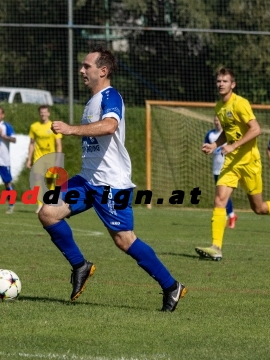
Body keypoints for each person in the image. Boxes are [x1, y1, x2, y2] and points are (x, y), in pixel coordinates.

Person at [38, 45, 186, 312]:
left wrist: (71, 130)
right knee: (48, 212)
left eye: (87, 66)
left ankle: (171, 286)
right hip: (87, 180)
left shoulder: (111, 96)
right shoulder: (91, 101)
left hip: (110, 184)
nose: (81, 70)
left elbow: (109, 126)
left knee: (124, 240)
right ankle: (81, 266)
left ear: (103, 71)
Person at [196, 68, 270, 261]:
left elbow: (256, 129)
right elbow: (228, 132)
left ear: (233, 84)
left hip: (249, 162)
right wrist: (216, 144)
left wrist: (234, 146)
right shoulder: (219, 107)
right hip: (231, 163)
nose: (220, 84)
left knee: (260, 208)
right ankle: (216, 247)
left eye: (225, 81)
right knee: (219, 200)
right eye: (218, 81)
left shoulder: (240, 104)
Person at [26, 105, 63, 213]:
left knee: (50, 180)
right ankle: (40, 204)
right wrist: (29, 159)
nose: (43, 114)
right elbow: (31, 144)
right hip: (38, 157)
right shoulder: (34, 126)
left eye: (45, 112)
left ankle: (50, 202)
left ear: (49, 113)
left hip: (51, 158)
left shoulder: (54, 127)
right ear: (39, 114)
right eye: (41, 112)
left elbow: (58, 144)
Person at [204, 116, 237, 228]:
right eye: (215, 121)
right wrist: (206, 149)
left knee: (222, 195)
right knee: (221, 195)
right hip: (216, 169)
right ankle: (230, 216)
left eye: (219, 121)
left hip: (228, 168)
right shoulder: (210, 135)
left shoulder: (228, 134)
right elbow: (207, 147)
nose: (217, 123)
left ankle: (229, 216)